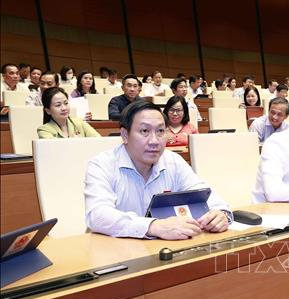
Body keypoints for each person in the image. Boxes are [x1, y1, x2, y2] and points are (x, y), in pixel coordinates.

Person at [85, 101, 232, 239]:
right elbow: (97, 215)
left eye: (160, 131)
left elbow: (202, 192)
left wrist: (221, 213)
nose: (154, 141)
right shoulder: (102, 165)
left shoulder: (173, 161)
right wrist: (153, 226)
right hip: (117, 250)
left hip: (163, 249)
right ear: (125, 135)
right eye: (144, 131)